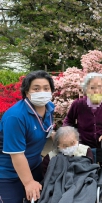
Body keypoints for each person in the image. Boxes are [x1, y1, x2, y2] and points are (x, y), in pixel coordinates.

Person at [0, 70, 55, 203]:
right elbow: (16, 154)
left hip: (35, 166)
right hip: (9, 174)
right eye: (36, 89)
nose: (42, 92)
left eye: (46, 88)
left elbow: (45, 129)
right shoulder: (16, 117)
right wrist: (29, 182)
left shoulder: (50, 107)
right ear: (26, 92)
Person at [63, 72, 102, 174]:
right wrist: (69, 135)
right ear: (86, 89)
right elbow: (68, 121)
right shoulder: (78, 104)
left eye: (100, 87)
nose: (96, 91)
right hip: (85, 147)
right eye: (92, 87)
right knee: (86, 174)